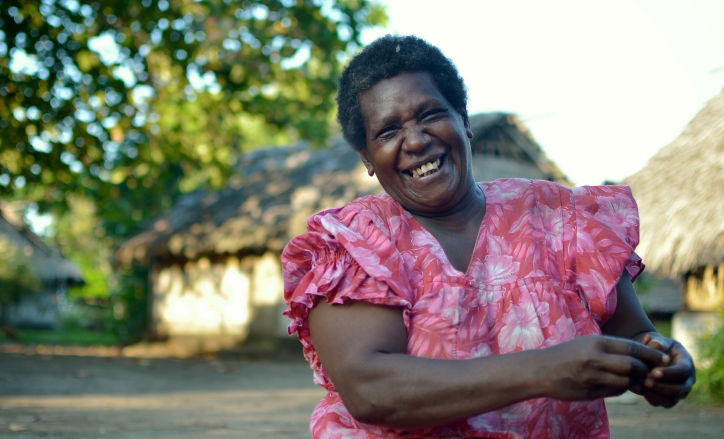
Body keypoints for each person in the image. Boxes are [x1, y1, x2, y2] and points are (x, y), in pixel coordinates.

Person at [281, 35, 695, 439]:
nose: (416, 140)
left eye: (430, 115)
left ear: (463, 120)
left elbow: (634, 335)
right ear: (368, 158)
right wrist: (543, 370)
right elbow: (371, 390)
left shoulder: (560, 218)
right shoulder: (355, 244)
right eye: (388, 131)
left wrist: (662, 361)